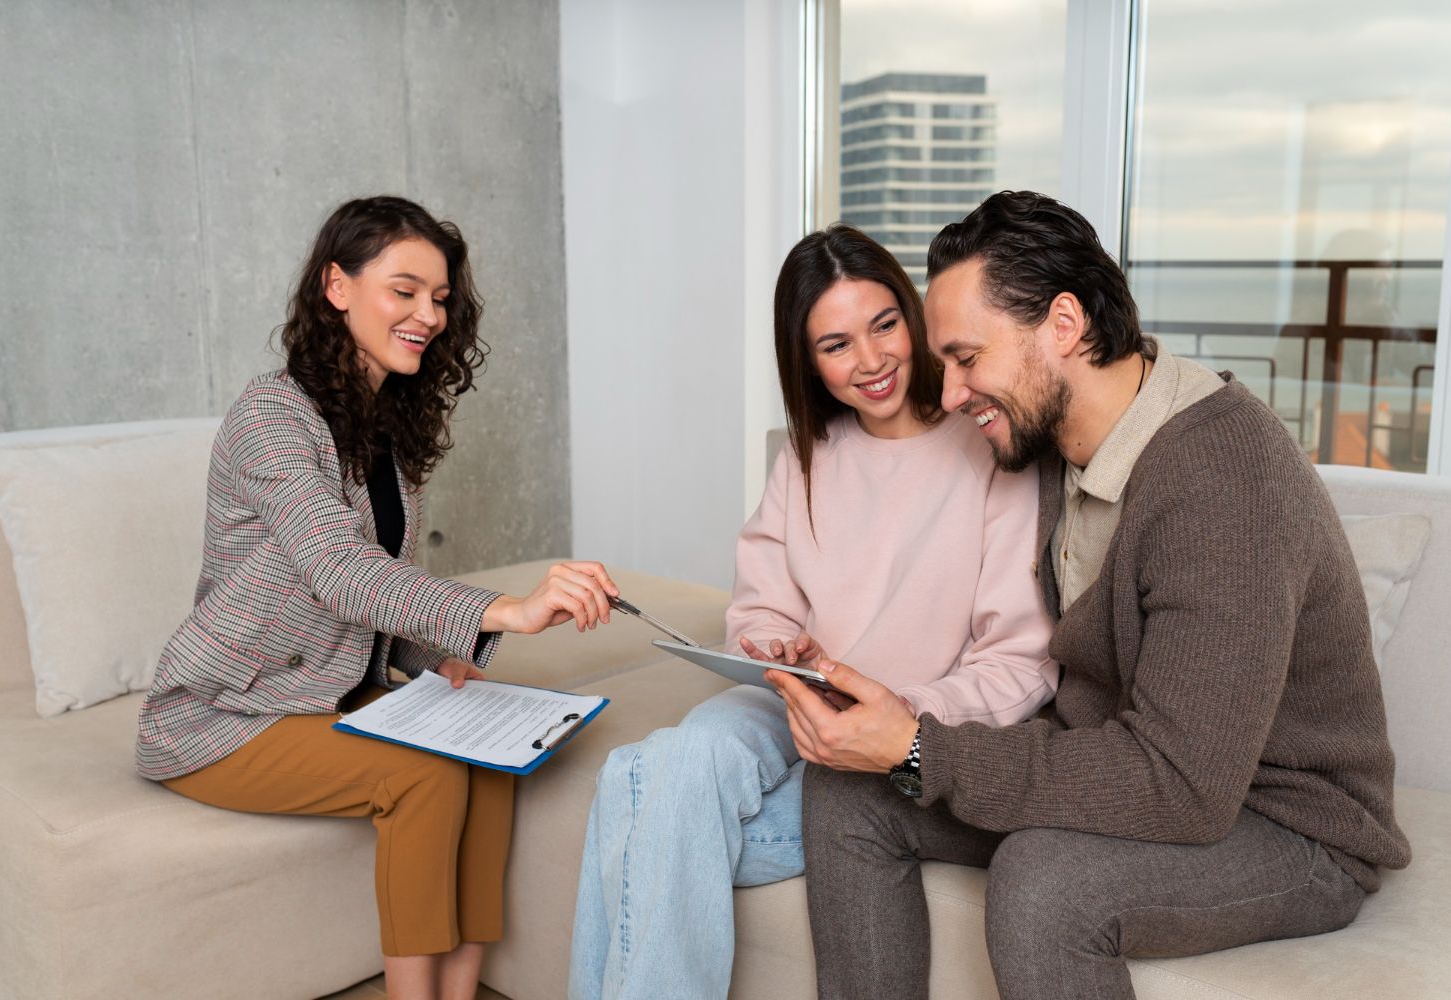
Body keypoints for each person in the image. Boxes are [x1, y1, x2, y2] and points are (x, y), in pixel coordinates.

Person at [770, 191, 1412, 1000]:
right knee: (848, 793)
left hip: (1284, 820)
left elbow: (1183, 786)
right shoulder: (1050, 445)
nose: (952, 391)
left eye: (968, 358)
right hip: (1126, 760)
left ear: (1063, 327)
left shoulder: (1222, 482)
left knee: (1045, 882)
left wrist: (920, 746)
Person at [135, 196, 620, 1000]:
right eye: (404, 290)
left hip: (330, 688)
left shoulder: (384, 427)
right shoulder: (270, 418)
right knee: (423, 776)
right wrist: (503, 611)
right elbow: (339, 571)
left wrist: (442, 658)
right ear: (336, 286)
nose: (427, 315)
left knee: (491, 757)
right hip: (226, 712)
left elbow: (371, 593)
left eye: (439, 298)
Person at [567, 224, 1057, 1000]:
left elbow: (1018, 662)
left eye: (885, 325)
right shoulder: (806, 454)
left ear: (916, 315)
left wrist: (898, 713)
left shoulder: (989, 446)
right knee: (684, 759)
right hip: (786, 696)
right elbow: (760, 601)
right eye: (835, 345)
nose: (869, 361)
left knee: (634, 786)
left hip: (902, 725)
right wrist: (767, 640)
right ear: (807, 360)